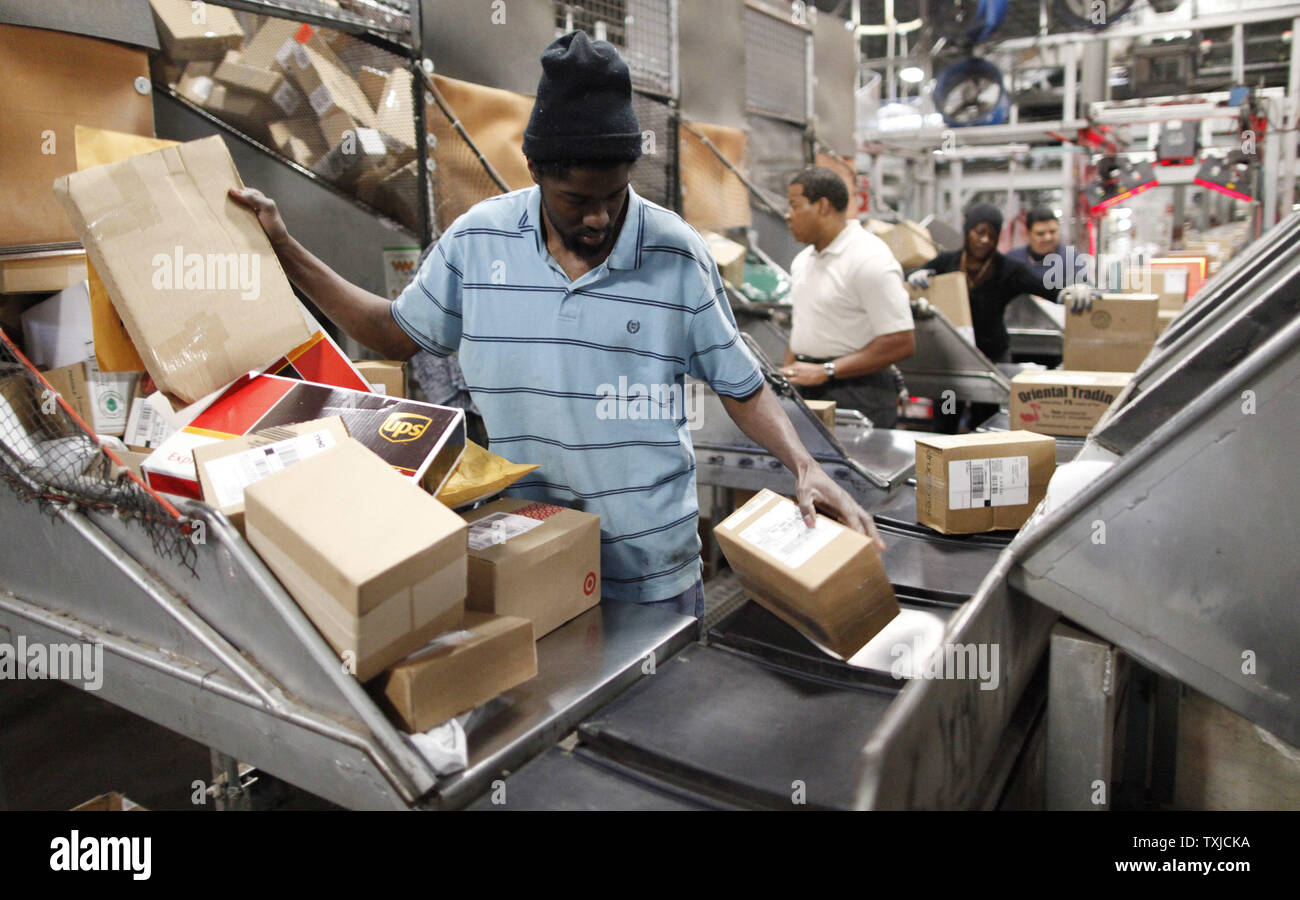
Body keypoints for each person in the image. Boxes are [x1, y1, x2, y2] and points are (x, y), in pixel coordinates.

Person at [229, 31, 882, 620]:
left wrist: (802, 463)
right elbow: (393, 329)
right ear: (535, 172)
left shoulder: (676, 253)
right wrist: (288, 250)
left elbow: (740, 384)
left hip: (651, 570)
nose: (598, 218)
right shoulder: (477, 242)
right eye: (576, 200)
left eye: (614, 195)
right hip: (530, 552)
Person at [908, 203, 1091, 431]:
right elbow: (908, 281)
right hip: (953, 364)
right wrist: (917, 275)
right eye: (979, 232)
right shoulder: (947, 263)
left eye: (992, 235)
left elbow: (1050, 290)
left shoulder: (1008, 269)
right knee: (946, 420)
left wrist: (1074, 290)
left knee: (985, 427)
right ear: (967, 231)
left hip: (992, 362)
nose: (984, 240)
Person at [780, 166, 915, 428]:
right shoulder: (803, 261)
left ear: (822, 206)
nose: (788, 215)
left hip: (858, 391)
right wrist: (787, 377)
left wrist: (826, 371)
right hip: (807, 385)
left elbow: (901, 341)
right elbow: (803, 325)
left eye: (794, 206)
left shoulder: (869, 258)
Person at [1005, 206, 1089, 294]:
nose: (1047, 237)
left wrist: (1081, 288)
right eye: (1040, 234)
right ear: (1028, 234)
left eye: (1052, 232)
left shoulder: (1070, 258)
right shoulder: (1013, 259)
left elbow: (1084, 285)